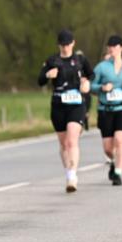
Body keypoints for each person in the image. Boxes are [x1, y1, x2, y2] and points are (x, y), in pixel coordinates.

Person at [38, 30, 94, 192]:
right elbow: (40, 81)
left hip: (76, 104)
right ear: (59, 45)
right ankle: (68, 171)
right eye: (63, 45)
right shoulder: (52, 60)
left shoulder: (80, 60)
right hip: (58, 104)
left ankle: (72, 176)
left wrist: (86, 83)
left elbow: (91, 75)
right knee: (63, 144)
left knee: (71, 141)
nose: (66, 48)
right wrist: (48, 74)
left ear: (73, 43)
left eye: (68, 44)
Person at [91, 35, 122, 186]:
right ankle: (112, 161)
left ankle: (118, 172)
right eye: (109, 47)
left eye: (114, 46)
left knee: (120, 139)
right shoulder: (101, 67)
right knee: (108, 147)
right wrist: (101, 88)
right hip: (106, 110)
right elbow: (90, 86)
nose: (111, 49)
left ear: (121, 48)